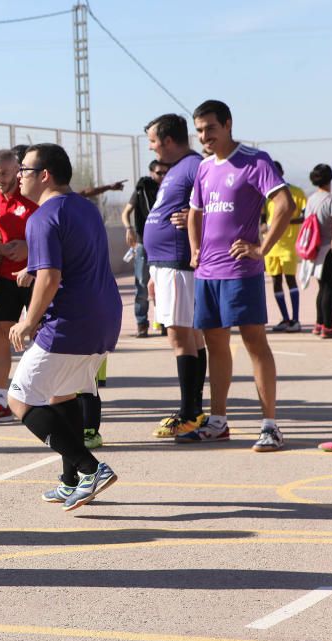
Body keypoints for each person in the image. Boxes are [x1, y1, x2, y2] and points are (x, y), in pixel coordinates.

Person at [8, 143, 122, 511]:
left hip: (70, 323)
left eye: (24, 169)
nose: (18, 175)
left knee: (20, 399)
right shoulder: (86, 209)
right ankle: (70, 479)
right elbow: (73, 261)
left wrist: (29, 322)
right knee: (63, 395)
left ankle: (91, 469)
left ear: (45, 175)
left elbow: (52, 277)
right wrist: (35, 269)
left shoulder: (41, 217)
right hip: (104, 319)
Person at [179, 100, 295, 452]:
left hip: (240, 271)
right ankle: (218, 421)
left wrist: (262, 249)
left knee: (253, 341)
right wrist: (195, 249)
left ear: (227, 125)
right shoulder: (203, 169)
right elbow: (195, 213)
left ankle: (270, 425)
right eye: (199, 130)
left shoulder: (254, 161)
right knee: (215, 344)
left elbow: (284, 204)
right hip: (208, 274)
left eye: (210, 128)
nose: (204, 136)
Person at [141, 113, 209, 438]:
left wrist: (201, 218)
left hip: (177, 262)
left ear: (168, 140)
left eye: (154, 141)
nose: (152, 148)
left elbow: (218, 201)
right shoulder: (176, 170)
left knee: (181, 337)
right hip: (165, 264)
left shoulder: (195, 165)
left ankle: (189, 413)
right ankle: (194, 409)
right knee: (191, 336)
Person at [0, 146, 38, 423]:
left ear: (17, 170)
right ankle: (1, 399)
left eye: (4, 172)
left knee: (40, 333)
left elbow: (52, 234)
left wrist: (29, 248)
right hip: (7, 279)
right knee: (0, 332)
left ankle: (42, 394)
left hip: (36, 275)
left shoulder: (34, 197)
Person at [121, 160, 166, 337]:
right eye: (158, 173)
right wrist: (129, 228)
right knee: (141, 284)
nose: (162, 177)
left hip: (163, 244)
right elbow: (126, 213)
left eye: (164, 173)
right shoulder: (142, 189)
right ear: (151, 172)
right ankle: (141, 323)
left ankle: (163, 321)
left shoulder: (169, 189)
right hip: (143, 243)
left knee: (162, 284)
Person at [261, 162, 307, 332]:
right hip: (271, 247)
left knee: (290, 280)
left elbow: (304, 216)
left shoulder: (296, 192)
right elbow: (263, 219)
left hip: (288, 246)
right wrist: (264, 227)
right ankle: (285, 319)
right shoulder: (266, 196)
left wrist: (283, 221)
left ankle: (296, 320)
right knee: (276, 282)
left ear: (282, 172)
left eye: (276, 171)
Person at [305, 164, 332, 338]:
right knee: (330, 288)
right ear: (330, 178)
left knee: (322, 287)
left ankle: (319, 323)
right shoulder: (331, 200)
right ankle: (328, 326)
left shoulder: (311, 199)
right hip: (329, 248)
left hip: (315, 249)